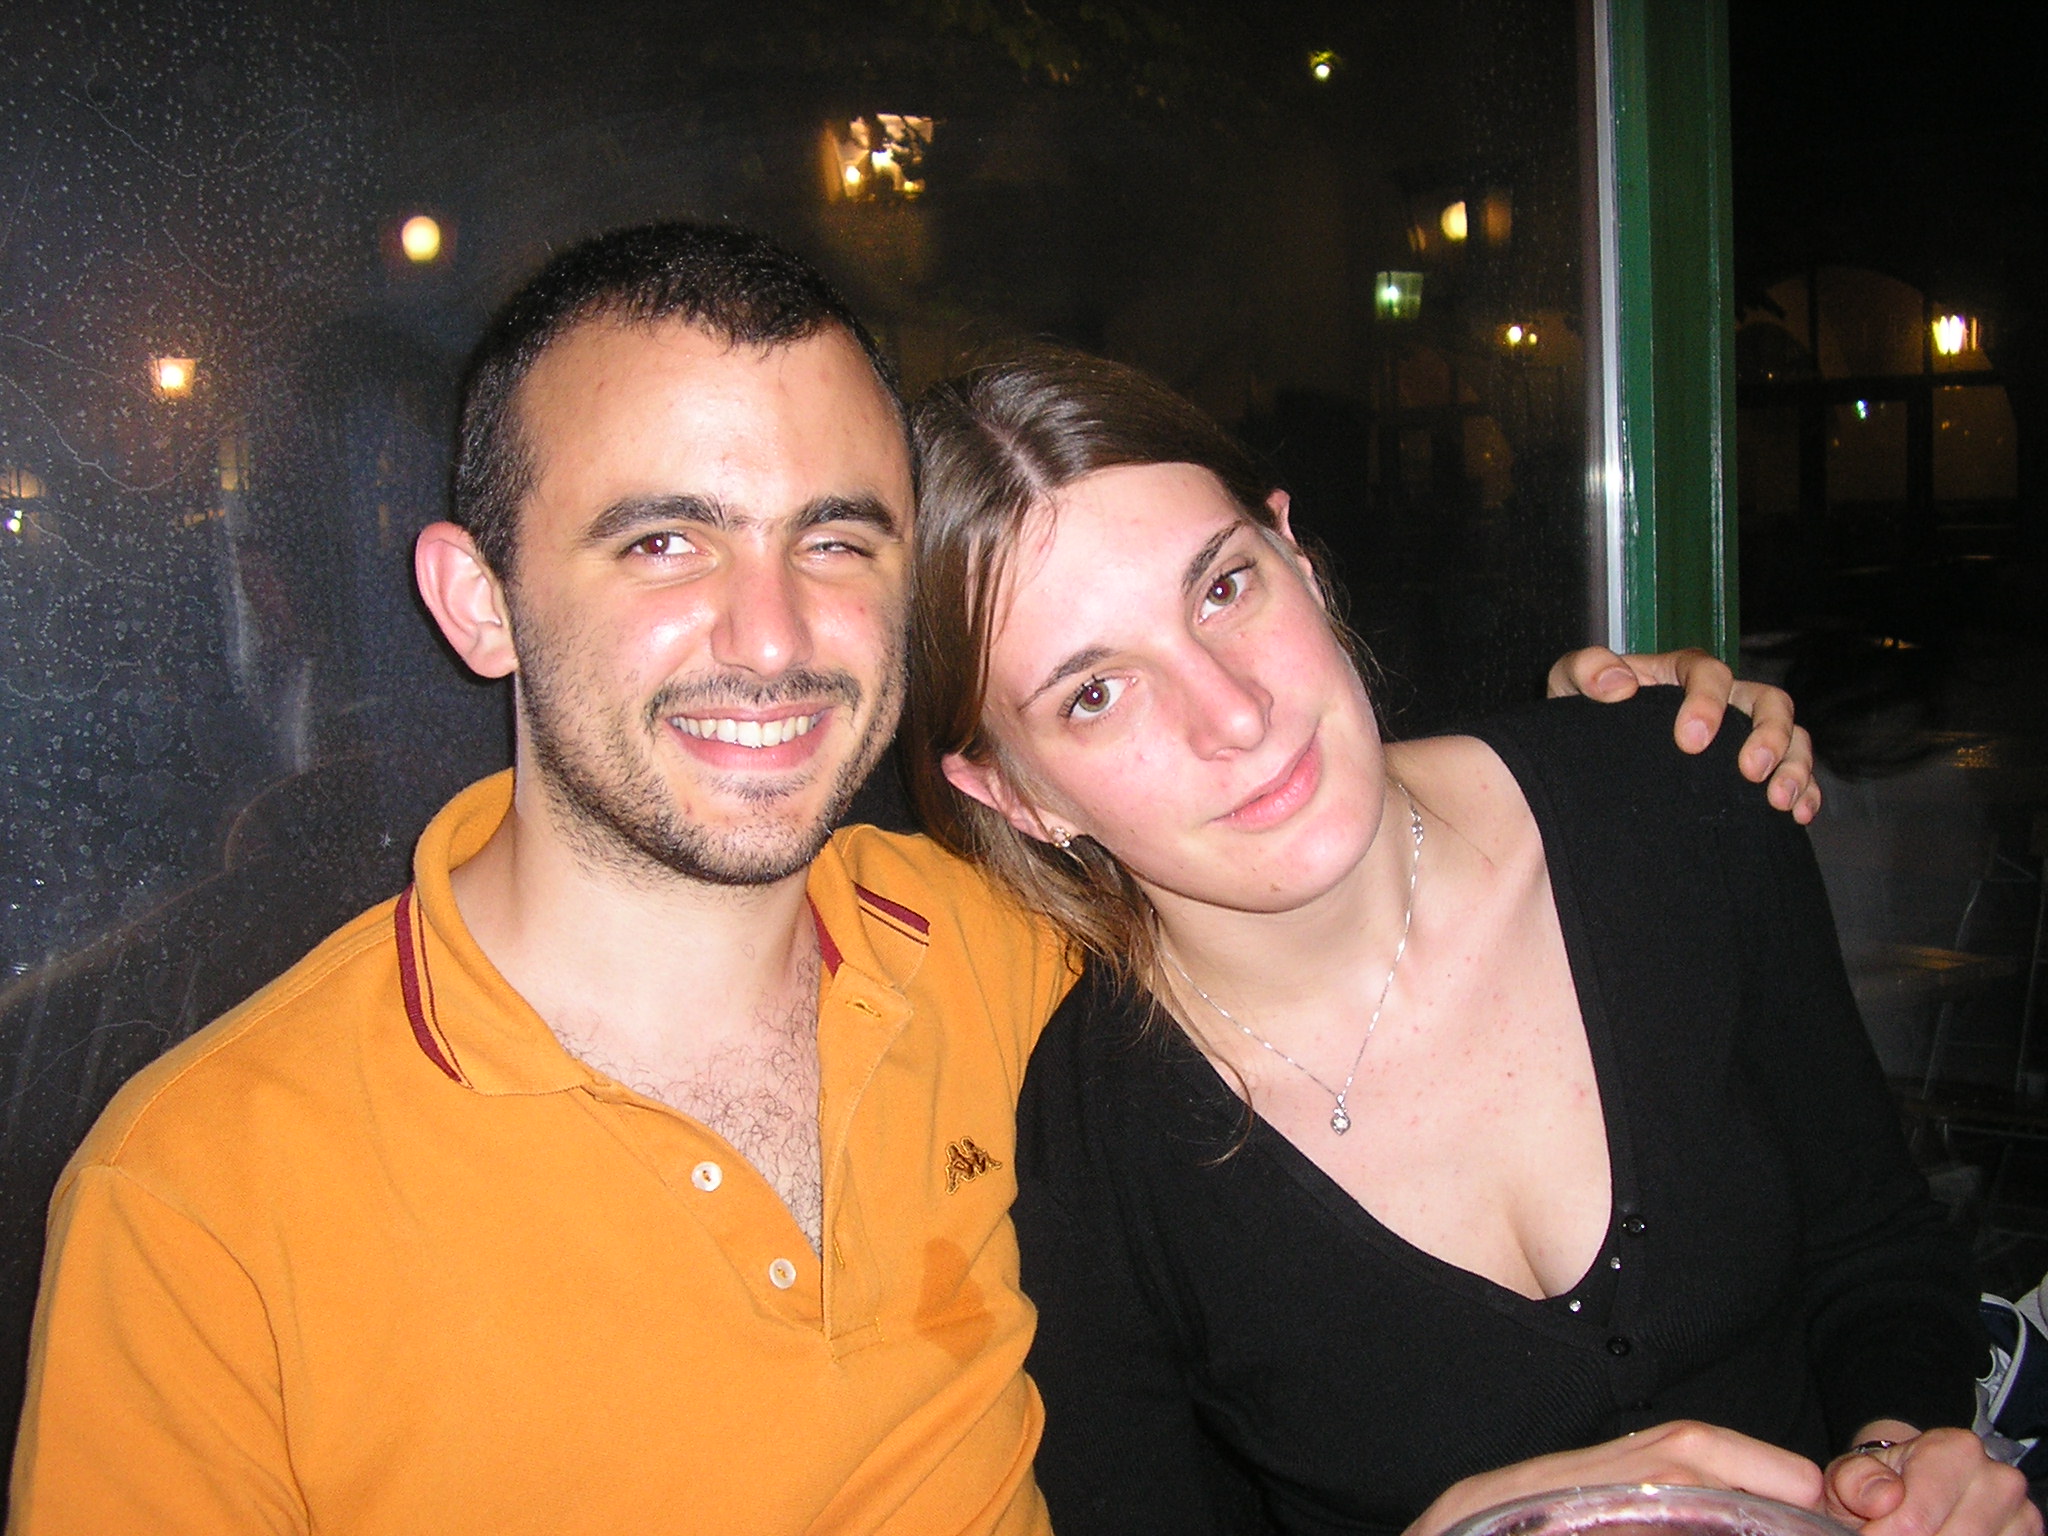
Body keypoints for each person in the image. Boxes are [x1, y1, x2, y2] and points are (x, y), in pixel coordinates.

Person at [9, 225, 1809, 1535]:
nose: (771, 634)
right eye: (665, 540)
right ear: (477, 602)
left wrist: (1636, 740)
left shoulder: (995, 950)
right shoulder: (202, 1207)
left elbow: (1264, 821)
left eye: (836, 540)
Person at [903, 346, 2035, 1536]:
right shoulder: (1086, 1148)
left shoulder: (1675, 798)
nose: (1234, 713)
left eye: (1223, 588)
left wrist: (1892, 1464)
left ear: (1295, 553)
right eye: (1093, 693)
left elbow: (1873, 1248)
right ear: (1013, 795)